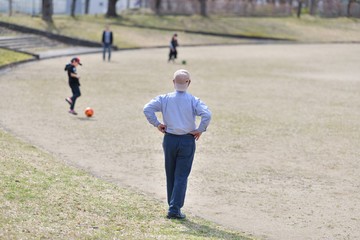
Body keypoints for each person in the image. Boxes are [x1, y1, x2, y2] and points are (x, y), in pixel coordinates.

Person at [143, 69, 212, 219]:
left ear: (173, 82)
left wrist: (157, 124)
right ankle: (174, 208)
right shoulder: (194, 100)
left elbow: (147, 109)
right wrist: (200, 130)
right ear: (189, 83)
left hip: (170, 139)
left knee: (171, 173)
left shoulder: (164, 98)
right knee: (181, 175)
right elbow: (207, 114)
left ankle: (172, 205)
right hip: (187, 139)